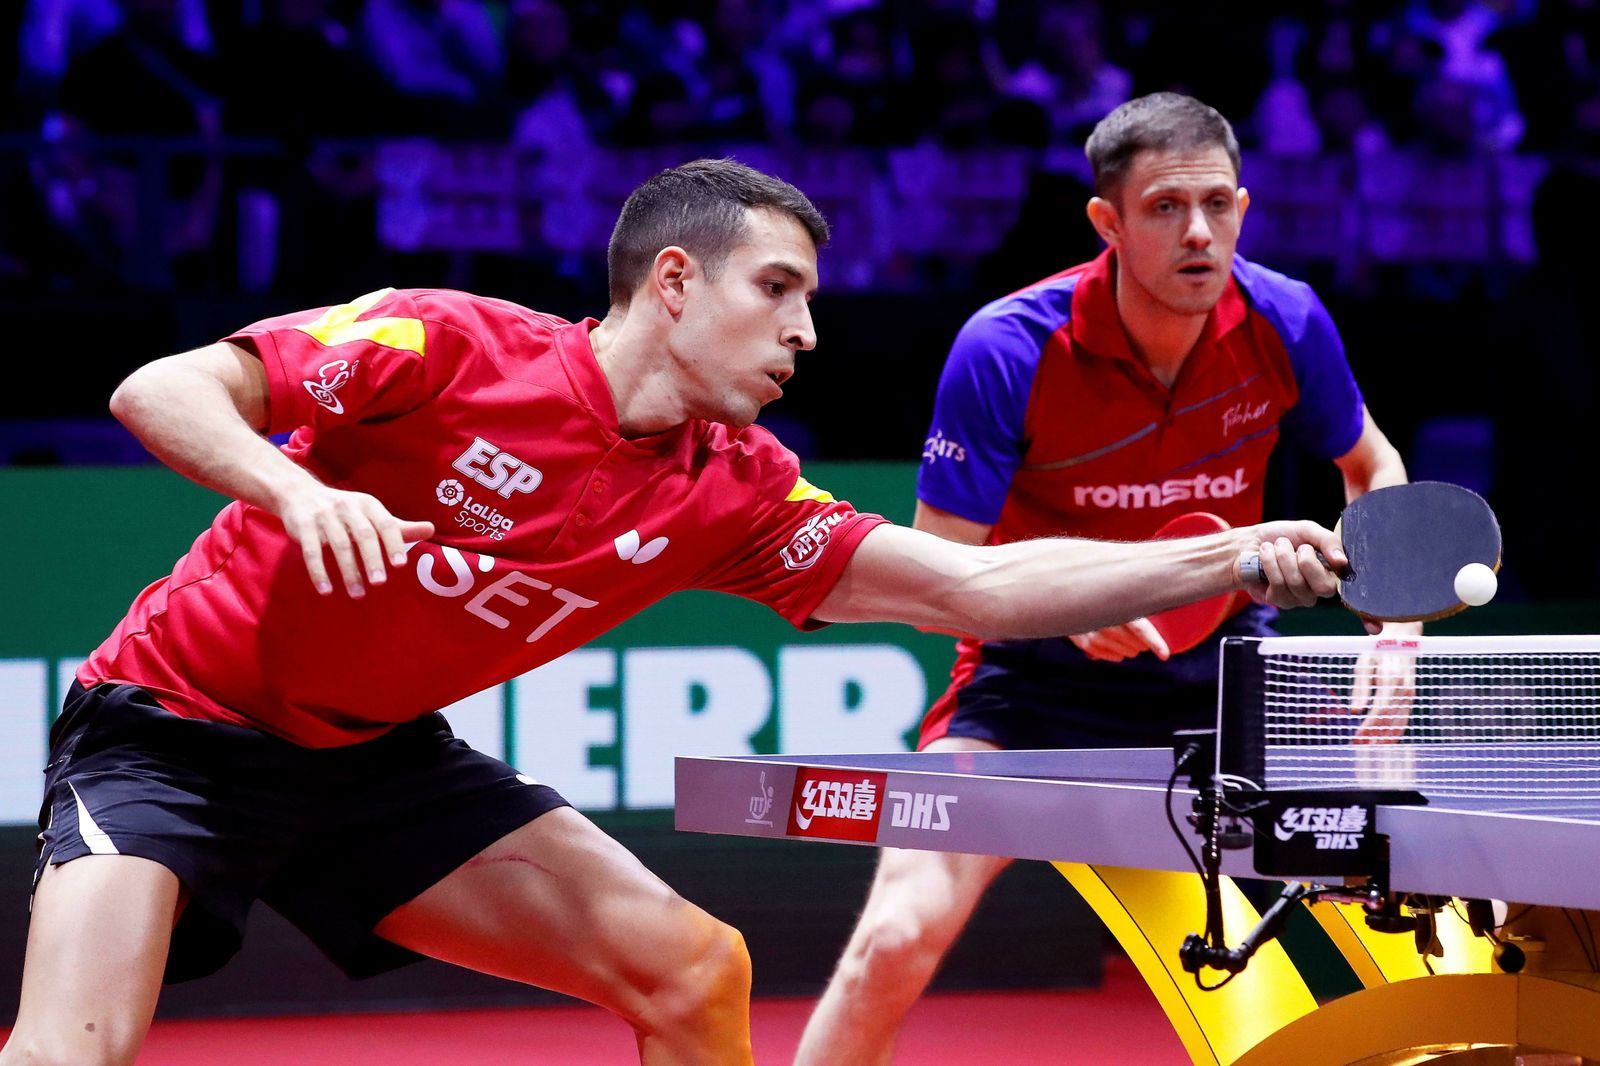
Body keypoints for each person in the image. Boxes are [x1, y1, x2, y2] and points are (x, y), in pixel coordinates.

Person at [0, 158, 1342, 1066]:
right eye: (778, 290)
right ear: (676, 284)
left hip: (375, 760)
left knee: (697, 969)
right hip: (173, 730)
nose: (807, 331)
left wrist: (1223, 553)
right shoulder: (453, 344)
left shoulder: (734, 490)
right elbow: (161, 389)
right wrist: (292, 493)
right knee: (74, 1045)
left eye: (810, 299)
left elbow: (973, 587)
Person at [796, 94, 1417, 1065]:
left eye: (1217, 203)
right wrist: (1073, 617)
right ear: (1108, 222)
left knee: (1401, 909)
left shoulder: (1285, 319)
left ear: (1244, 209)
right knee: (894, 936)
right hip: (1029, 686)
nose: (1199, 231)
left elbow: (1372, 468)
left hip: (1228, 678)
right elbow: (937, 562)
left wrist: (1396, 634)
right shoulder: (1008, 346)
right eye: (1166, 206)